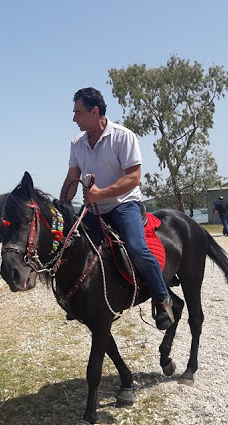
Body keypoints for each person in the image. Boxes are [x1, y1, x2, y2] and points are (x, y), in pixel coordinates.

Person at [59, 87, 174, 331]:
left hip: (124, 205)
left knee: (137, 247)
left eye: (78, 113)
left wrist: (100, 194)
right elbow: (71, 179)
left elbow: (133, 178)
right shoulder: (77, 144)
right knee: (68, 245)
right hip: (92, 209)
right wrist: (62, 206)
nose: (74, 119)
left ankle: (162, 299)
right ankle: (78, 299)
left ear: (95, 111)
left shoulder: (123, 137)